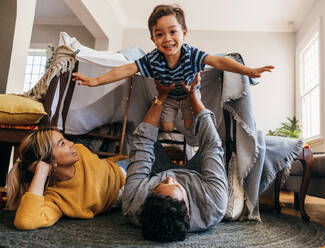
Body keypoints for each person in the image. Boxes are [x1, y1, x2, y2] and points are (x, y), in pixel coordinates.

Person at [72, 4, 274, 132]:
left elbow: (219, 62)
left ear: (184, 33)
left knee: (188, 127)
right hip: (167, 97)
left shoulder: (191, 54)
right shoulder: (153, 59)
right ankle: (172, 141)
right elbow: (127, 69)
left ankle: (188, 134)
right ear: (152, 39)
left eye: (172, 32)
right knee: (167, 128)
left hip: (189, 95)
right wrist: (96, 81)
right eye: (159, 34)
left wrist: (248, 71)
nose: (167, 39)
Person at [121, 73, 228, 242]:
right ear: (187, 209)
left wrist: (161, 97)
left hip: (156, 171)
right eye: (175, 187)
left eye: (160, 186)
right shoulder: (214, 203)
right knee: (220, 143)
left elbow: (142, 144)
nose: (170, 179)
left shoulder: (133, 203)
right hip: (200, 178)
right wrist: (193, 94)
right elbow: (211, 144)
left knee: (141, 136)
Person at [5, 127, 128, 230]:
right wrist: (41, 171)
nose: (71, 143)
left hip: (125, 167)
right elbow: (25, 222)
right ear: (49, 161)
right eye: (62, 143)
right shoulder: (58, 198)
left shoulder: (80, 151)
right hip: (128, 192)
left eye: (65, 139)